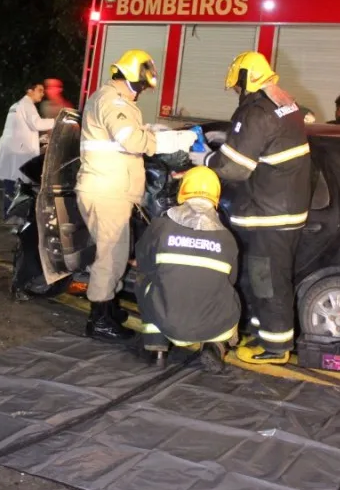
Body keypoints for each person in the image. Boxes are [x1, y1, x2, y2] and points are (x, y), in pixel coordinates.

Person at [76, 50, 197, 342]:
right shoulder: (113, 101)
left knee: (111, 253)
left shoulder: (111, 99)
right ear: (132, 77)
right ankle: (99, 320)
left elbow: (124, 135)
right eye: (142, 86)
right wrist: (167, 140)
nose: (142, 92)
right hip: (107, 192)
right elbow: (130, 139)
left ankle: (109, 306)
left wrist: (149, 131)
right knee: (111, 258)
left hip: (107, 189)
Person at [205, 51, 312, 365]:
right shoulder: (284, 104)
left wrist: (205, 161)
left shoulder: (257, 112)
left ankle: (276, 347)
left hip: (269, 213)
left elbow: (235, 169)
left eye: (237, 87)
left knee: (268, 280)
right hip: (282, 207)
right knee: (262, 276)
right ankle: (262, 331)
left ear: (245, 80)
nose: (237, 93)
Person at [134, 166, 241, 371]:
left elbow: (143, 260)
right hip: (212, 323)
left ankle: (157, 347)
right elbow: (231, 279)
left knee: (145, 280)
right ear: (216, 196)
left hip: (166, 318)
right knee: (230, 293)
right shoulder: (227, 238)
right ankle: (216, 346)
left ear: (182, 190)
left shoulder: (161, 226)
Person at [0, 81, 54, 217]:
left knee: (10, 183)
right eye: (40, 90)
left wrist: (39, 140)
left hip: (12, 150)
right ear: (30, 91)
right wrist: (56, 121)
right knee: (18, 185)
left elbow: (20, 130)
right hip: (18, 152)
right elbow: (37, 124)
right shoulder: (27, 105)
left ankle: (10, 215)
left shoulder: (16, 105)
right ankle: (16, 216)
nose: (43, 94)